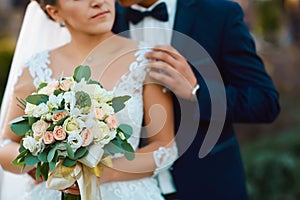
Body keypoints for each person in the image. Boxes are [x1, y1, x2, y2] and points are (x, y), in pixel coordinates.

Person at [0, 0, 177, 199]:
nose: (98, 2)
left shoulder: (148, 60)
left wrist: (102, 172)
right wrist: (46, 164)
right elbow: (6, 144)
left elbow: (165, 148)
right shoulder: (35, 68)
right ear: (55, 12)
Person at [112, 0, 281, 199]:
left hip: (209, 184)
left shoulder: (219, 14)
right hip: (130, 188)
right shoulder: (105, 19)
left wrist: (196, 91)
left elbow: (264, 101)